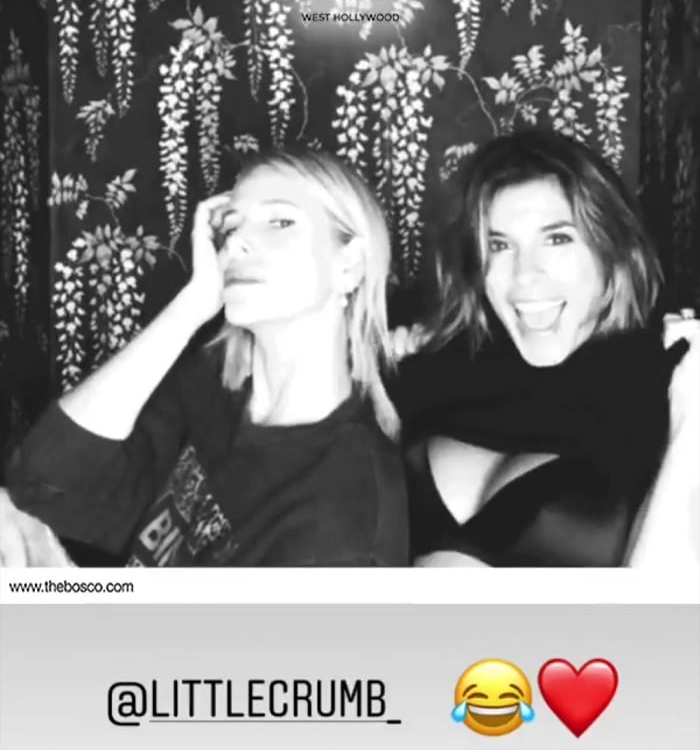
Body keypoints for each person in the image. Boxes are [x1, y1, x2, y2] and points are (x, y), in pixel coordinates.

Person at [2, 148, 409, 568]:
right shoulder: (213, 383)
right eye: (232, 225)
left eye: (280, 222)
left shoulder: (346, 518)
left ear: (350, 265)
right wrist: (193, 305)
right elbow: (42, 481)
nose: (238, 242)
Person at [391, 129, 696, 569]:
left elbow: (671, 607)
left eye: (557, 239)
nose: (525, 275)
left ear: (614, 251)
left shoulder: (670, 385)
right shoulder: (431, 365)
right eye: (499, 245)